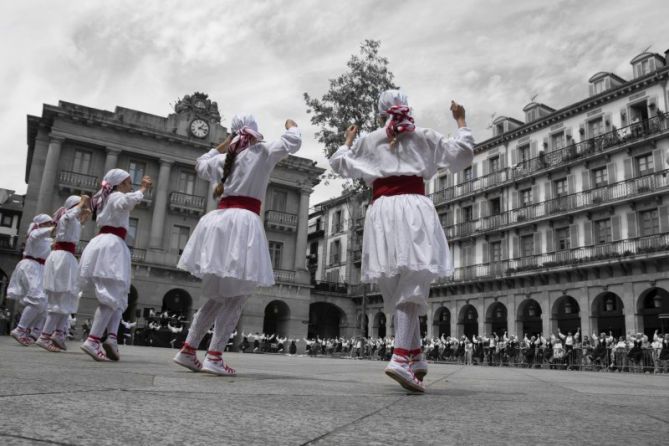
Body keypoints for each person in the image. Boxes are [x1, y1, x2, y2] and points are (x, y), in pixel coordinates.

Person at [330, 90, 474, 392]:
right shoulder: (424, 135)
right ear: (407, 107)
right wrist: (460, 121)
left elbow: (339, 163)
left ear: (383, 113)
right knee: (414, 281)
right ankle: (398, 358)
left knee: (396, 284)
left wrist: (347, 139)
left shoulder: (368, 140)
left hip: (381, 211)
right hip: (413, 206)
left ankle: (416, 356)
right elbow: (462, 154)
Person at [173, 115, 301, 376]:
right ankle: (215, 356)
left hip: (218, 223)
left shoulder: (222, 160)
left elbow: (200, 164)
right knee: (237, 294)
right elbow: (293, 142)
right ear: (255, 134)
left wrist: (222, 145)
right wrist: (291, 125)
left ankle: (188, 349)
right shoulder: (261, 152)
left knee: (216, 295)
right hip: (243, 223)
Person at [79, 169, 152, 361]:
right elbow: (126, 202)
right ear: (120, 184)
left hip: (109, 244)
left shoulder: (108, 199)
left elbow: (126, 207)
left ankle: (111, 337)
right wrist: (143, 189)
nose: (131, 186)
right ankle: (93, 339)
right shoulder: (116, 196)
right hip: (111, 246)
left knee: (119, 294)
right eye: (129, 182)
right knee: (111, 295)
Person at [36, 195, 91, 352]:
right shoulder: (66, 216)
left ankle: (58, 333)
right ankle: (44, 336)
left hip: (66, 259)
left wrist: (83, 218)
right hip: (62, 259)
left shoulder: (72, 221)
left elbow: (73, 226)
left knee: (66, 297)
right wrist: (81, 204)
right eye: (80, 207)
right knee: (60, 298)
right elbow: (68, 216)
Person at [8, 214, 55, 345]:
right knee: (37, 299)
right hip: (30, 266)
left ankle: (33, 333)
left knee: (44, 303)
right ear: (41, 224)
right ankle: (20, 329)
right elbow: (43, 233)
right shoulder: (34, 234)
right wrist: (57, 223)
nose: (50, 225)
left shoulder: (46, 240)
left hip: (40, 269)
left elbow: (58, 241)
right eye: (47, 223)